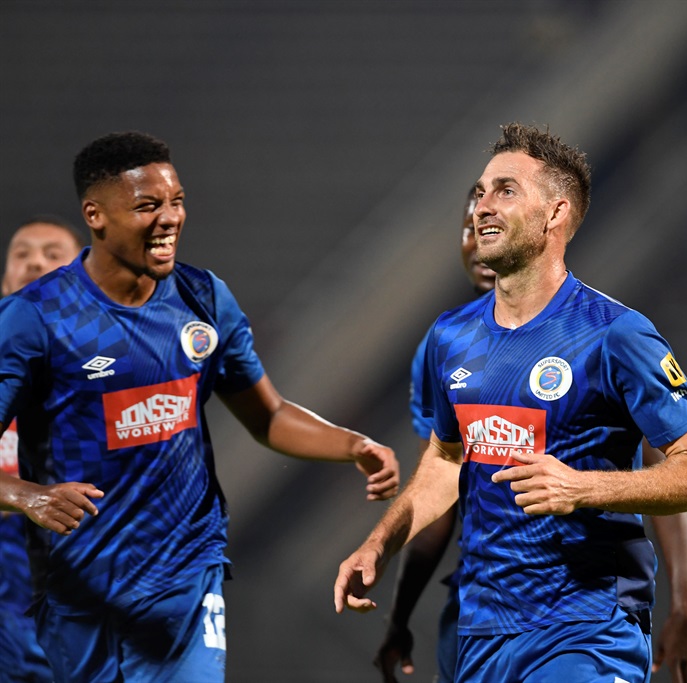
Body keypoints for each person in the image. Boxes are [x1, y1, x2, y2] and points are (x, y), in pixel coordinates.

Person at [336, 122, 687, 682]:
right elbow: (448, 461)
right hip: (483, 632)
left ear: (555, 215)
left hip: (588, 628)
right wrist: (379, 544)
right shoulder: (452, 339)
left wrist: (581, 487)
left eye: (505, 190)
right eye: (479, 192)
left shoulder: (617, 334)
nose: (482, 208)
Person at [0, 131, 400, 683]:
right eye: (147, 206)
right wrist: (29, 496)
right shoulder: (37, 319)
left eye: (176, 201)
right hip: (83, 591)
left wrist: (351, 444)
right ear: (95, 215)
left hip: (187, 574)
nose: (169, 218)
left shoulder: (203, 299)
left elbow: (270, 416)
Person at [1, 216, 84, 682]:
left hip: (78, 579)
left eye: (53, 255)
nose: (35, 261)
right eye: (22, 253)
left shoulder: (118, 366)